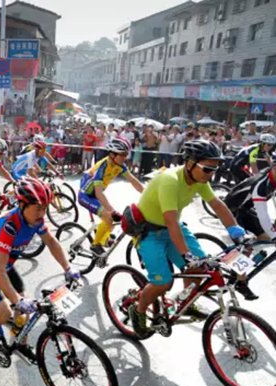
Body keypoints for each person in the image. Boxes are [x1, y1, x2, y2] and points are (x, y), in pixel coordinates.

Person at [128, 140, 247, 338]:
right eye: (208, 169)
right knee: (163, 283)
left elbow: (217, 205)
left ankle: (187, 303)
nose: (211, 175)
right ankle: (138, 309)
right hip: (149, 232)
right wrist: (187, 255)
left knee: (201, 269)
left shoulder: (199, 180)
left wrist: (236, 231)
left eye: (215, 169)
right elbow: (170, 221)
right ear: (190, 163)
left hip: (173, 228)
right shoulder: (170, 180)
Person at [0, 177, 80, 354]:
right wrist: (17, 301)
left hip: (5, 265)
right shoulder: (9, 226)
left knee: (25, 312)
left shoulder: (36, 220)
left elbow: (51, 242)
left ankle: (19, 343)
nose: (42, 213)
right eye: (38, 208)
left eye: (45, 208)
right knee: (4, 313)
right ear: (22, 205)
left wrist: (68, 268)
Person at [78, 137, 144, 255]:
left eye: (126, 154)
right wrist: (112, 211)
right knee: (110, 217)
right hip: (86, 196)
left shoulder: (120, 165)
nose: (125, 157)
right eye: (123, 155)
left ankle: (103, 239)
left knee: (111, 221)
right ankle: (95, 245)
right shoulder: (102, 167)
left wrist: (147, 194)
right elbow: (99, 193)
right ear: (112, 155)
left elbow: (133, 180)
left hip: (96, 195)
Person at [223, 163, 276, 300]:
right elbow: (263, 215)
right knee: (246, 245)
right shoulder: (261, 185)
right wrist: (274, 235)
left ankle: (239, 263)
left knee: (263, 237)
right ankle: (240, 282)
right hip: (231, 210)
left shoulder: (271, 177)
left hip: (245, 208)